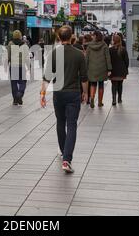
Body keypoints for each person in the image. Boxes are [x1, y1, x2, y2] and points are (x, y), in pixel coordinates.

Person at [41, 26, 88, 174]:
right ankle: (67, 159)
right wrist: (85, 92)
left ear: (59, 38)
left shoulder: (53, 54)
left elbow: (47, 76)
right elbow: (84, 77)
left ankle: (63, 152)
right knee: (72, 125)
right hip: (73, 93)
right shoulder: (79, 54)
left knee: (60, 122)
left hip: (58, 93)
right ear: (71, 37)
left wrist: (42, 94)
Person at [86, 31, 112, 108]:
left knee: (93, 84)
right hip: (102, 68)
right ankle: (100, 102)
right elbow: (108, 58)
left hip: (92, 68)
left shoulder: (89, 46)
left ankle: (92, 99)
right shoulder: (104, 45)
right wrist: (109, 68)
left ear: (95, 36)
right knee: (101, 85)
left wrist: (85, 67)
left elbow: (86, 58)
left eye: (93, 35)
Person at [8, 30, 30, 106]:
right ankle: (20, 94)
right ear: (20, 36)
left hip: (13, 66)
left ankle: (15, 100)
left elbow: (8, 55)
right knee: (23, 81)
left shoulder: (10, 43)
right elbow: (27, 57)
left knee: (14, 83)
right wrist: (29, 66)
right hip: (22, 66)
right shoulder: (24, 44)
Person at [109, 34, 130, 106]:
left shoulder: (110, 50)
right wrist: (125, 68)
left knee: (114, 85)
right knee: (120, 84)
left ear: (113, 41)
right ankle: (119, 99)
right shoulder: (123, 49)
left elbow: (109, 61)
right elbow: (126, 61)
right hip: (121, 71)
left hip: (113, 71)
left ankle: (114, 99)